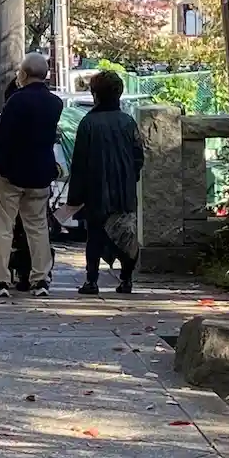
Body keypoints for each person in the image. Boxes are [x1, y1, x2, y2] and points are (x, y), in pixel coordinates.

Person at [0, 53, 63, 298]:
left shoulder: (16, 101)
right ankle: (40, 278)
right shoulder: (55, 103)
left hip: (9, 173)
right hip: (40, 174)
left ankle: (0, 280)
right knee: (38, 227)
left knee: (2, 226)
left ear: (24, 74)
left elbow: (3, 137)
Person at [63, 69, 144, 295]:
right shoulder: (128, 122)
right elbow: (138, 156)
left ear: (95, 95)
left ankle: (92, 280)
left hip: (96, 190)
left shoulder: (88, 123)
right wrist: (131, 177)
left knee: (95, 236)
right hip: (124, 190)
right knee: (126, 235)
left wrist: (75, 197)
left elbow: (79, 163)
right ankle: (126, 279)